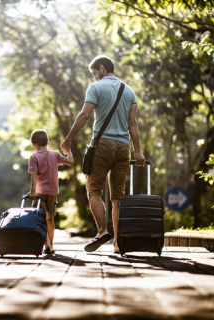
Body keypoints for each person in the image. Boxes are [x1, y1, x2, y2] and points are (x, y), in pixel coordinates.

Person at [60, 55, 145, 254]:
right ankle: (117, 243)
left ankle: (102, 231)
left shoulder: (95, 87)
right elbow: (133, 124)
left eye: (95, 73)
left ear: (101, 68)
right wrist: (138, 151)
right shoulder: (129, 91)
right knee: (118, 197)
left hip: (102, 145)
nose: (95, 77)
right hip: (124, 147)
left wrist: (69, 139)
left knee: (94, 190)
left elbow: (84, 115)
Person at [28, 129, 74, 255]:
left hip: (39, 193)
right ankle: (51, 245)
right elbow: (71, 162)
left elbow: (34, 175)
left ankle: (47, 244)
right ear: (48, 143)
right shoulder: (55, 154)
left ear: (34, 145)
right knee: (50, 219)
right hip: (53, 192)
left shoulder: (34, 157)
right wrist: (68, 150)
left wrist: (32, 191)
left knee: (40, 219)